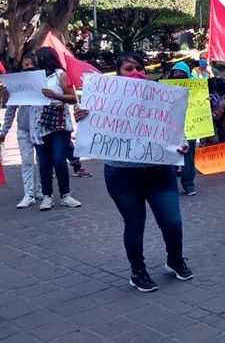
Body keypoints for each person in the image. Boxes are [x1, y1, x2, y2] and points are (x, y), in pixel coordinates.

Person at [74, 52, 193, 292]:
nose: (135, 72)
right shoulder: (102, 100)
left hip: (159, 172)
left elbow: (175, 130)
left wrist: (182, 144)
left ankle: (175, 260)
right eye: (128, 68)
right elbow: (93, 130)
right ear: (118, 74)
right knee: (134, 223)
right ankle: (138, 271)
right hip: (122, 175)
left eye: (139, 68)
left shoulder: (160, 99)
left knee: (172, 222)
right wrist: (82, 118)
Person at [31, 47, 82, 211]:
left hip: (59, 124)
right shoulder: (32, 77)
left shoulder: (60, 74)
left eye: (39, 59)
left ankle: (65, 195)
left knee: (59, 160)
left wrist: (55, 96)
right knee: (44, 162)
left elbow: (74, 97)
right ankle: (47, 196)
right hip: (38, 125)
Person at [0, 54, 42, 208]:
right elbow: (10, 109)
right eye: (25, 65)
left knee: (42, 161)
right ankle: (29, 193)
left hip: (40, 129)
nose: (28, 67)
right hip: (24, 129)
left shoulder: (42, 83)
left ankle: (40, 190)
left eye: (31, 64)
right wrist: (4, 131)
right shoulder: (17, 87)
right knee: (27, 161)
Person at [168, 62, 198, 196]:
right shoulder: (165, 87)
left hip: (190, 128)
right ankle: (169, 185)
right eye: (175, 73)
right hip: (172, 128)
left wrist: (208, 101)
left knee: (189, 157)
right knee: (170, 156)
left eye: (182, 73)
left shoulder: (197, 88)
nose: (178, 76)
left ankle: (189, 185)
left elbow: (201, 104)